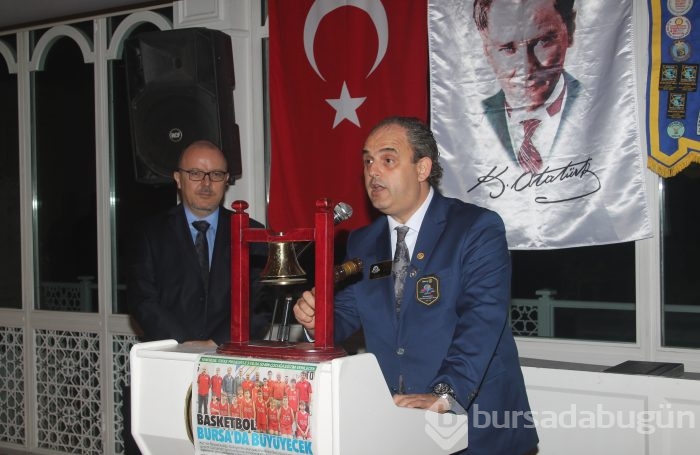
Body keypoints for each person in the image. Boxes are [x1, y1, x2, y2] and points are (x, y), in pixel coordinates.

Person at [293, 116, 538, 454]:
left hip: (477, 427)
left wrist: (445, 394)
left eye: (387, 160)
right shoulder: (363, 242)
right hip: (398, 426)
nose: (373, 172)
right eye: (367, 161)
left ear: (422, 168)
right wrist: (316, 321)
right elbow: (347, 313)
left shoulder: (475, 228)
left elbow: (481, 321)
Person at [128, 139, 271, 347]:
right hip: (168, 354)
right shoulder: (149, 233)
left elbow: (260, 303)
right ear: (178, 178)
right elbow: (142, 300)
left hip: (230, 354)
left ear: (226, 180)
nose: (206, 184)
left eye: (216, 174)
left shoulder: (252, 233)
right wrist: (183, 344)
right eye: (195, 173)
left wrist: (216, 343)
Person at [474, 0, 579, 173]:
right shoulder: (470, 121)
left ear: (570, 31)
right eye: (508, 48)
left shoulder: (602, 107)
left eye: (543, 41)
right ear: (487, 52)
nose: (527, 67)